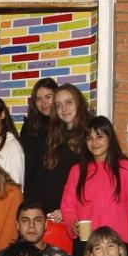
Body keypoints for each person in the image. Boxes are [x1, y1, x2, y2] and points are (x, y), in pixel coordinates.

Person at [61, 116, 128, 250]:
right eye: (89, 138)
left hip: (116, 244)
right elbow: (68, 207)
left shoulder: (126, 168)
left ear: (110, 138)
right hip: (86, 245)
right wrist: (74, 224)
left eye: (99, 136)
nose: (94, 142)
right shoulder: (77, 171)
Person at [27, 83, 88, 216]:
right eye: (58, 105)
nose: (64, 109)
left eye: (68, 102)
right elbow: (43, 177)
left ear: (79, 103)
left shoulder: (90, 136)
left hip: (74, 214)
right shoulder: (53, 135)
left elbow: (91, 183)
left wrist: (69, 209)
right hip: (49, 214)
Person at [0, 202, 79, 256]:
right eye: (25, 220)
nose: (31, 225)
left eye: (37, 220)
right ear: (17, 225)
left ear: (45, 224)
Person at [17, 78, 57, 166]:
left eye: (48, 97)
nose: (43, 103)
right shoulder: (29, 126)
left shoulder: (65, 123)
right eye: (39, 99)